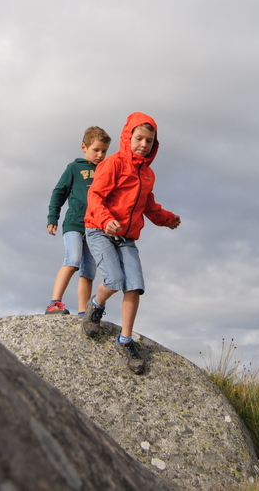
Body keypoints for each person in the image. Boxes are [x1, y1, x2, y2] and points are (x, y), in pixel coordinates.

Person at [80, 112, 180, 374]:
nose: (143, 144)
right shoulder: (113, 164)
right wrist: (105, 219)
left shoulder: (148, 175)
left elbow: (148, 206)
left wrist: (167, 219)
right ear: (128, 136)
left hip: (127, 238)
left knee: (134, 285)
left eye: (149, 141)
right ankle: (96, 307)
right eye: (139, 138)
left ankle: (125, 340)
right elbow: (95, 196)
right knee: (114, 279)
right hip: (99, 230)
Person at [45, 126, 111, 315]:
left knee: (88, 271)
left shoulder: (105, 171)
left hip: (95, 228)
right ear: (84, 147)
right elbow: (59, 192)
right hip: (75, 223)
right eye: (96, 150)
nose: (100, 155)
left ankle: (83, 312)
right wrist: (53, 217)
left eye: (104, 151)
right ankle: (54, 303)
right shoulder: (74, 168)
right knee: (73, 260)